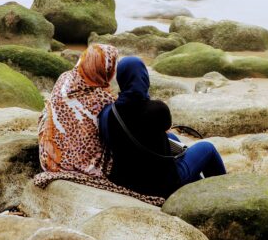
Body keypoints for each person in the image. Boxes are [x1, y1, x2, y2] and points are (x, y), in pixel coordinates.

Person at [99, 56, 226, 198]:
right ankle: (223, 193)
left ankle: (197, 187)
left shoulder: (108, 113)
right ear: (144, 78)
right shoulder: (157, 109)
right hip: (161, 184)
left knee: (171, 138)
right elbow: (165, 127)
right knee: (207, 148)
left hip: (127, 181)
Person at [38, 44, 118, 177]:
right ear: (106, 70)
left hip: (48, 160)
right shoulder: (103, 99)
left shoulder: (64, 78)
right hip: (82, 169)